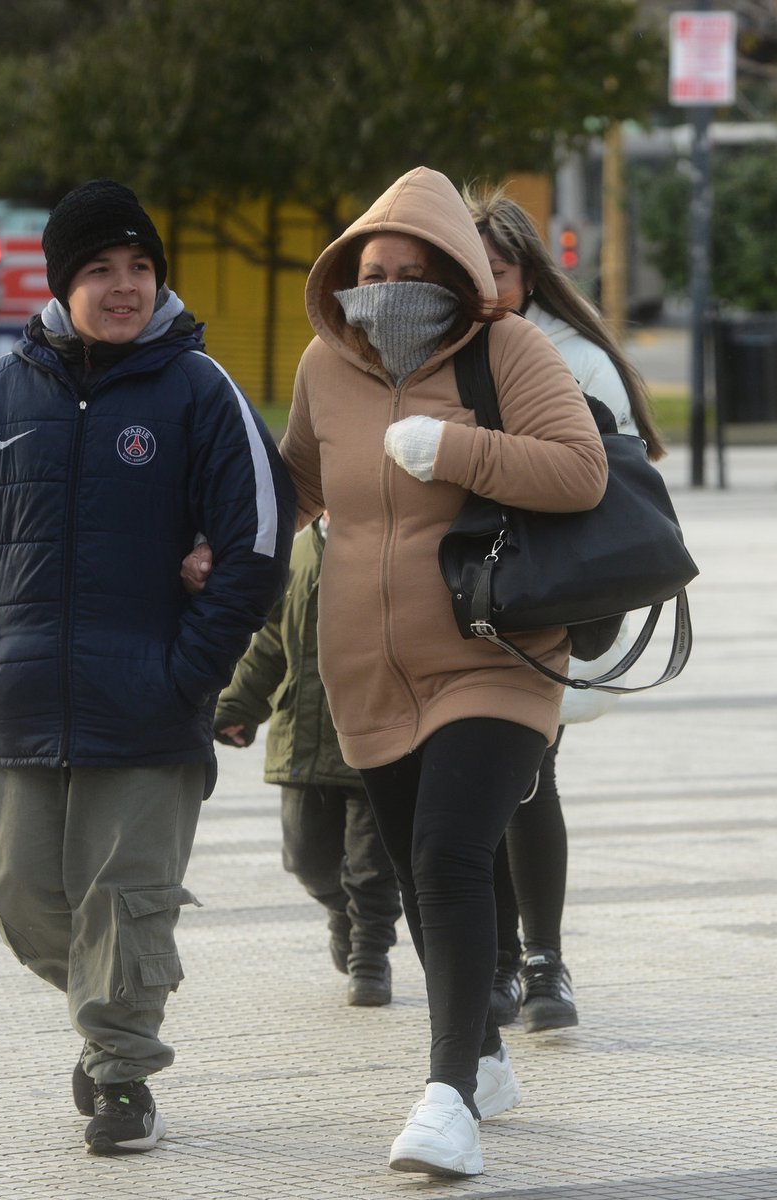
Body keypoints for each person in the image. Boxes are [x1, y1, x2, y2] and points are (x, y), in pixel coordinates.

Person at [0, 179, 294, 1157]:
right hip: (23, 703)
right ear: (61, 283)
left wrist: (189, 672)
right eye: (99, 269)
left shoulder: (199, 391)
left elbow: (258, 541)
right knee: (16, 890)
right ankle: (105, 1012)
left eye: (139, 267)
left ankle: (123, 1075)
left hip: (150, 708)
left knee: (125, 902)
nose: (124, 286)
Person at [270, 165, 607, 1177]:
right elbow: (294, 488)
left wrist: (452, 447)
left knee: (451, 855)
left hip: (494, 657)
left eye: (413, 273)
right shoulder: (324, 366)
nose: (388, 291)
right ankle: (485, 1057)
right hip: (366, 672)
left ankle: (448, 1096)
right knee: (425, 874)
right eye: (371, 274)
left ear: (458, 274)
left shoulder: (509, 349)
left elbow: (579, 469)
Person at [462, 183, 667, 1035]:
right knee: (486, 783)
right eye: (470, 271)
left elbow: (607, 484)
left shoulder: (572, 360)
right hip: (464, 598)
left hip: (543, 596)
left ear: (530, 275)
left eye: (499, 271)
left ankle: (537, 961)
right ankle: (500, 962)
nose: (485, 289)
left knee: (525, 773)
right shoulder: (442, 349)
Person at [212, 516, 403, 1006]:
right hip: (303, 736)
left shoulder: (391, 541)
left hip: (377, 734)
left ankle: (370, 956)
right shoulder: (297, 552)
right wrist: (237, 707)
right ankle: (343, 912)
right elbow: (270, 641)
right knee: (305, 858)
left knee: (372, 866)